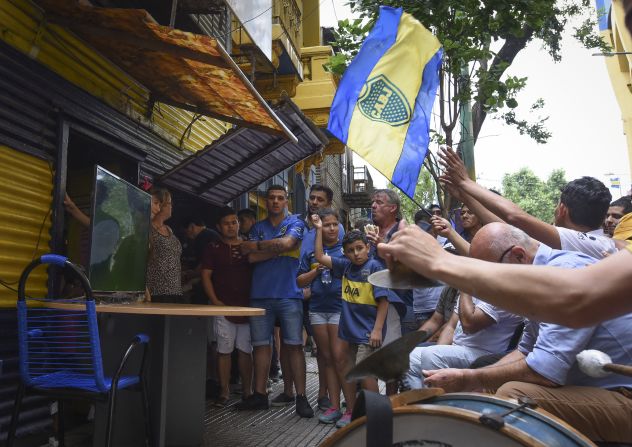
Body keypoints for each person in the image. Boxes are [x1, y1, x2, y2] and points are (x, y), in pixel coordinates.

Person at [421, 225, 632, 443]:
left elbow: (545, 371)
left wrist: (469, 378)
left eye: (493, 277)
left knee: (513, 395)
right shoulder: (543, 275)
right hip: (599, 387)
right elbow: (525, 351)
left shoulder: (564, 271)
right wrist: (475, 379)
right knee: (487, 385)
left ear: (519, 256)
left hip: (624, 396)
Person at [378, 223, 632, 328]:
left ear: (519, 256)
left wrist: (439, 260)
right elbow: (529, 353)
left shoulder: (567, 265)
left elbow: (578, 300)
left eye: (492, 267)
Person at [439, 146, 625, 257]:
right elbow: (509, 228)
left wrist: (466, 182)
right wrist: (466, 198)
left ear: (562, 209)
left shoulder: (593, 243)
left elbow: (515, 217)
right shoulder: (584, 243)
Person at [312, 224, 401, 428]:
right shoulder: (345, 266)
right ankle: (352, 411)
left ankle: (375, 414)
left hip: (369, 331)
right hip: (348, 330)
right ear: (345, 253)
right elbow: (319, 256)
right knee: (347, 367)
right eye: (351, 250)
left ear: (368, 248)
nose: (356, 254)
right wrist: (318, 230)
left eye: (360, 248)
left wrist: (378, 329)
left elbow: (384, 301)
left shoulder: (375, 267)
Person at [237, 185, 313, 418]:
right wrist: (276, 248)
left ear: (287, 201)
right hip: (260, 294)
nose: (276, 202)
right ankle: (260, 395)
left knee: (294, 346)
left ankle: (301, 397)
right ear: (266, 201)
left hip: (290, 293)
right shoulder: (258, 226)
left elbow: (288, 244)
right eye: (271, 198)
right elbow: (249, 257)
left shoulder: (296, 223)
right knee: (260, 346)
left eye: (280, 198)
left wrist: (262, 247)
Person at [406, 285, 523, 389]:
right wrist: (441, 349)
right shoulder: (473, 287)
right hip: (461, 349)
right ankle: (421, 403)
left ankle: (441, 408)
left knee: (432, 354)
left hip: (486, 354)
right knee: (409, 357)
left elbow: (469, 324)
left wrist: (464, 286)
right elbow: (451, 326)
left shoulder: (501, 290)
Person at [200, 208, 253, 407]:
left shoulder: (249, 246)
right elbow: (205, 275)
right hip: (223, 307)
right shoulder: (213, 247)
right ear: (218, 227)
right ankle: (224, 392)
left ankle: (248, 392)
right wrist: (215, 301)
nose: (231, 226)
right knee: (224, 351)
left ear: (239, 224)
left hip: (247, 308)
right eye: (226, 223)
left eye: (234, 222)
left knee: (246, 351)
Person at [297, 208, 344, 424]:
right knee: (325, 359)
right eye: (327, 225)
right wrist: (315, 271)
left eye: (335, 224)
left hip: (339, 310)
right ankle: (333, 405)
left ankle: (349, 405)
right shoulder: (309, 253)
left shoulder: (346, 251)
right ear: (319, 228)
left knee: (339, 358)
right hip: (317, 310)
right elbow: (299, 282)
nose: (331, 228)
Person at [145, 187, 183, 303]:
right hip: (156, 292)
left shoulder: (169, 229)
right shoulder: (148, 229)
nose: (171, 206)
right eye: (169, 203)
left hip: (175, 290)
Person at [182, 217, 221, 304]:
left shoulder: (202, 237)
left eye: (186, 231)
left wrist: (189, 275)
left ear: (192, 226)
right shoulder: (211, 234)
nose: (187, 235)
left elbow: (205, 263)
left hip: (211, 280)